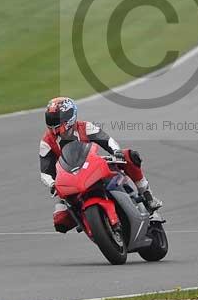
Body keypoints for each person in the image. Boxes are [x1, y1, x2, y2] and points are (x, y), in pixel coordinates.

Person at [39, 97, 163, 232]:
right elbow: (45, 172)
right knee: (60, 220)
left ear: (69, 116)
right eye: (51, 119)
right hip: (70, 178)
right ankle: (86, 222)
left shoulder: (85, 127)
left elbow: (107, 141)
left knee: (129, 155)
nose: (54, 123)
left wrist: (116, 151)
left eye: (56, 119)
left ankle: (147, 195)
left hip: (91, 167)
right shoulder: (47, 142)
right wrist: (52, 183)